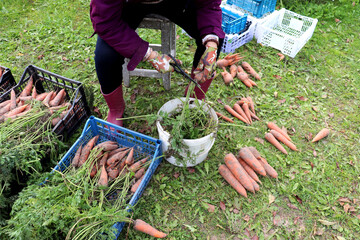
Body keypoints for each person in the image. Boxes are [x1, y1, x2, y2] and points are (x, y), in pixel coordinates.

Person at [90, 0, 225, 126]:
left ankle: (194, 99)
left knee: (212, 39)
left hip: (177, 2)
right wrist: (149, 55)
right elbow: (105, 21)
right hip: (130, 4)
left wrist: (211, 42)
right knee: (105, 56)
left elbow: (208, 4)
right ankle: (116, 109)